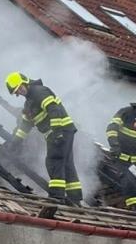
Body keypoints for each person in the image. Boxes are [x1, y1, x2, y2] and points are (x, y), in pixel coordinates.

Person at [6, 72, 82, 204]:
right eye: (16, 91)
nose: (20, 92)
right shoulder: (29, 103)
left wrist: (57, 132)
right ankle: (75, 198)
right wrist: (16, 142)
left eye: (19, 88)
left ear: (25, 82)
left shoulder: (39, 92)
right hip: (63, 131)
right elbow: (25, 125)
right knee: (66, 164)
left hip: (59, 130)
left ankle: (57, 197)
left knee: (53, 161)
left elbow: (53, 109)